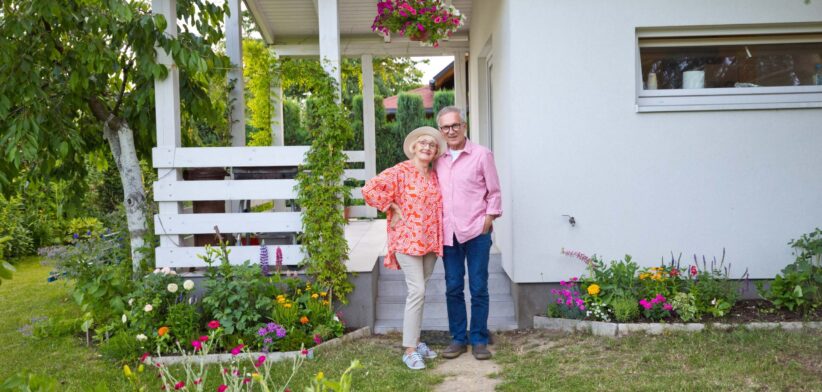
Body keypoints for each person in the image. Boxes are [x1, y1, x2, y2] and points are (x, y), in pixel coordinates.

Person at [361, 126, 448, 370]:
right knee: (417, 291)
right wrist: (391, 205)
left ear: (436, 151)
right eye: (422, 143)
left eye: (432, 145)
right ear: (413, 147)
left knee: (420, 292)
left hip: (430, 241)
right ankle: (409, 350)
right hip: (407, 239)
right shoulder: (400, 171)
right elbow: (369, 189)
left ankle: (417, 342)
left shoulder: (434, 175)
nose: (427, 147)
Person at [435, 106, 502, 360]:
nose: (451, 131)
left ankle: (479, 339)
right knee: (453, 287)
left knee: (478, 287)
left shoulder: (482, 155)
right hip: (448, 233)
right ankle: (458, 339)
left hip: (476, 231)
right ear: (440, 131)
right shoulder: (437, 160)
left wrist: (488, 219)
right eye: (445, 127)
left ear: (464, 126)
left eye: (455, 125)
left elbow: (494, 192)